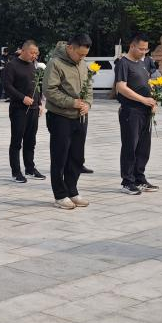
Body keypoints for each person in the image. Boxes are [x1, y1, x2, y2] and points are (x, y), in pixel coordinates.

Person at [44, 35, 93, 210]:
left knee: (77, 157)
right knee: (60, 157)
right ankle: (60, 195)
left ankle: (72, 191)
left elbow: (88, 86)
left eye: (85, 55)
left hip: (80, 116)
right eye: (80, 54)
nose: (82, 58)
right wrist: (72, 103)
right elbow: (49, 90)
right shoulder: (55, 63)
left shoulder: (82, 64)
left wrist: (87, 103)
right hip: (60, 116)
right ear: (70, 47)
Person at [114, 34, 159, 194]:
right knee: (130, 146)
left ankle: (139, 178)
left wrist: (152, 102)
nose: (144, 52)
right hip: (131, 111)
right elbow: (121, 87)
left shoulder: (143, 63)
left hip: (145, 111)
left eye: (146, 49)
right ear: (132, 46)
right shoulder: (123, 63)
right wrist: (143, 100)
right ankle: (127, 181)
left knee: (143, 147)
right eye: (141, 49)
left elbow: (148, 84)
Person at [0, 40, 45, 184]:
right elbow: (7, 86)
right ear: (23, 51)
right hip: (19, 109)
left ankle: (30, 168)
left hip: (33, 109)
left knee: (31, 141)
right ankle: (16, 172)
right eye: (32, 53)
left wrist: (39, 104)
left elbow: (36, 86)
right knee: (16, 141)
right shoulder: (12, 65)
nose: (34, 56)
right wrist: (22, 98)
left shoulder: (33, 65)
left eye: (36, 53)